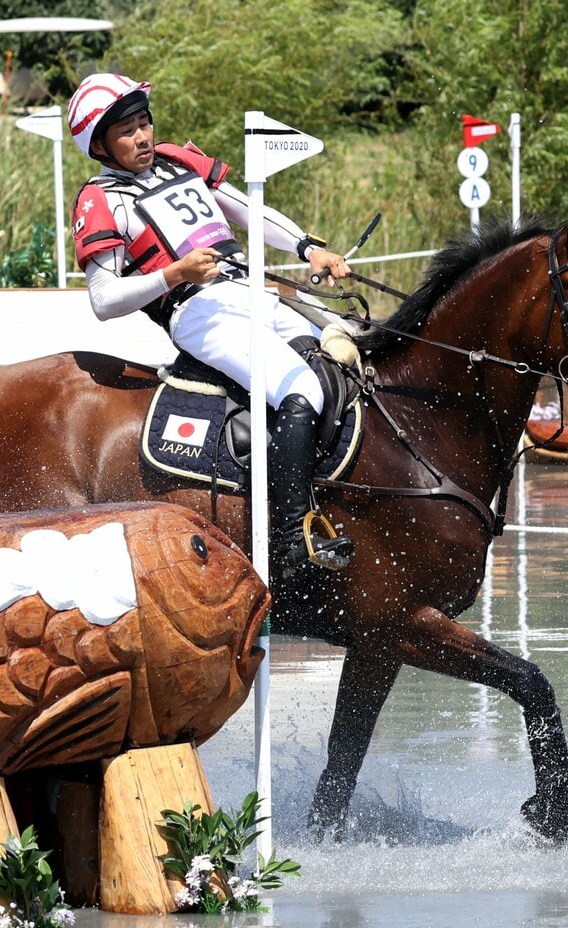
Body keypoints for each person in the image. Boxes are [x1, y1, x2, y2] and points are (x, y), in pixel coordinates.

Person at [67, 73, 354, 579]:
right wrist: (174, 274)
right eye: (127, 131)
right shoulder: (100, 200)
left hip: (253, 297)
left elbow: (249, 209)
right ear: (101, 145)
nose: (142, 137)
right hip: (198, 312)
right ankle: (291, 539)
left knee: (338, 369)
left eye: (144, 123)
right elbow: (104, 300)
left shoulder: (178, 160)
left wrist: (310, 248)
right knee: (301, 389)